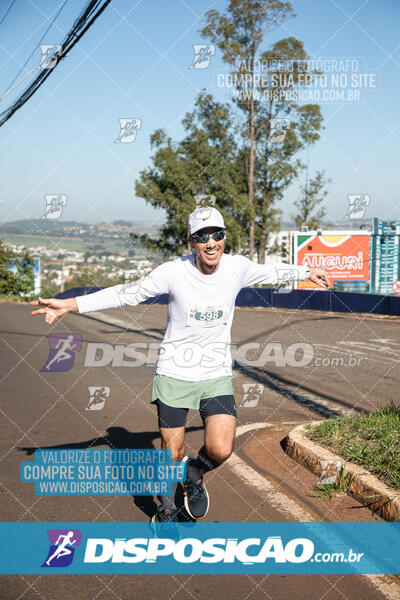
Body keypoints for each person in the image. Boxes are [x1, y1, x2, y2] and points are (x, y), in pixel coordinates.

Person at [31, 206, 329, 522]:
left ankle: (194, 473)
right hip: (175, 373)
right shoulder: (173, 272)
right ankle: (167, 508)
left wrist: (306, 272)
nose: (211, 242)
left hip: (215, 374)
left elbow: (271, 273)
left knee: (221, 449)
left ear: (225, 237)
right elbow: (127, 294)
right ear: (191, 241)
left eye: (217, 234)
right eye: (202, 237)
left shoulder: (237, 268)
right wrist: (71, 304)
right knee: (170, 453)